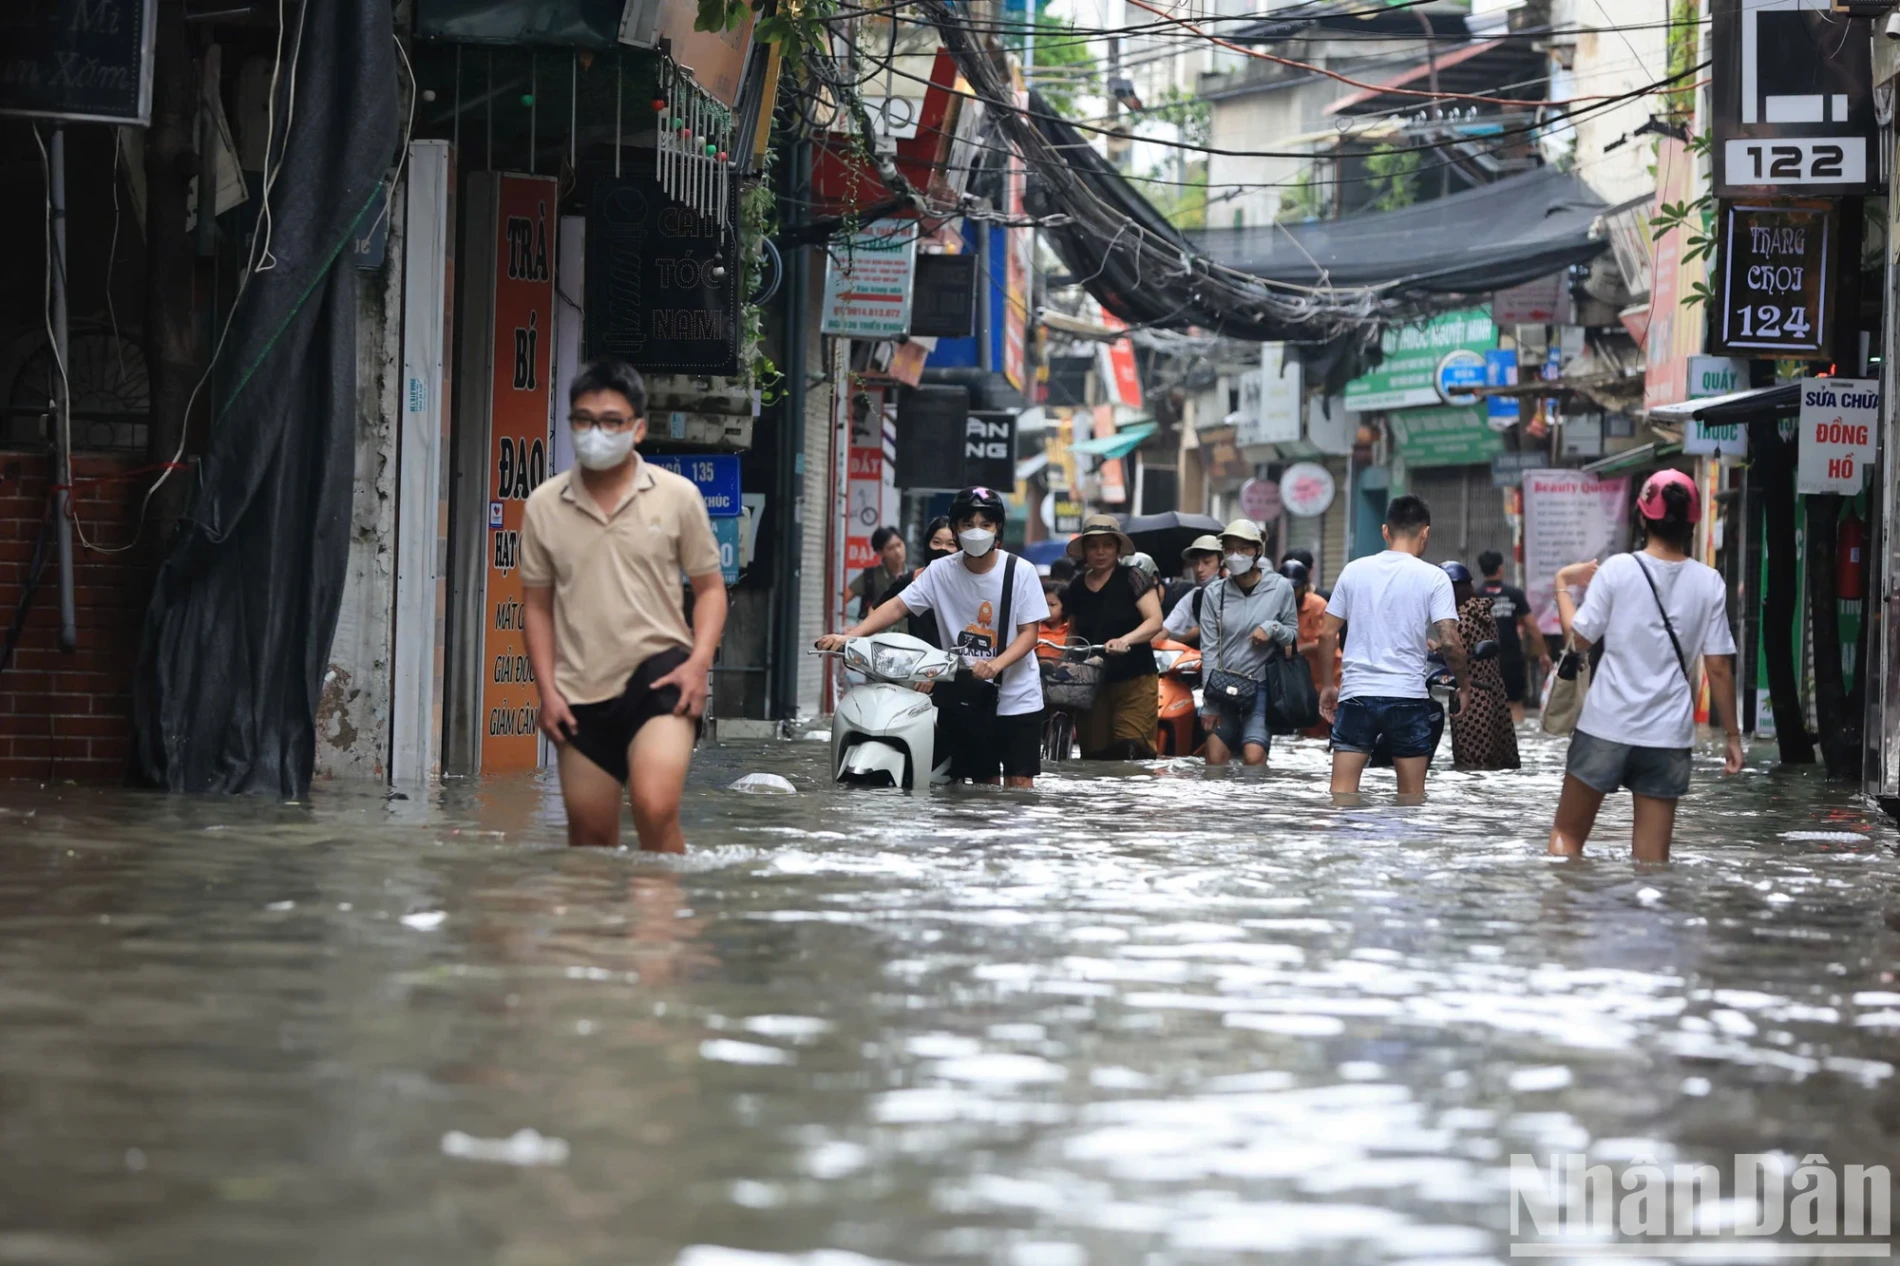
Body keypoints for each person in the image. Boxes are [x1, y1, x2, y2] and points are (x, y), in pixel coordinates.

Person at [521, 359, 729, 851]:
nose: (596, 432)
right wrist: (547, 692)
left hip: (661, 675)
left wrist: (698, 665)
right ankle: (602, 929)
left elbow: (711, 590)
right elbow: (535, 607)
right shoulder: (544, 505)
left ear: (638, 428)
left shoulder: (677, 496)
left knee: (655, 809)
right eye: (584, 420)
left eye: (611, 421)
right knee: (590, 841)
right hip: (579, 690)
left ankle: (662, 926)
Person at [1548, 470, 1741, 862]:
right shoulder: (1710, 582)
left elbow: (1578, 638)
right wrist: (1733, 737)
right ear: (1693, 521)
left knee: (1567, 836)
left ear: (1641, 516)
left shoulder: (1617, 571)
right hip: (1667, 737)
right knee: (1652, 862)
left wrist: (1562, 585)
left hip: (1605, 727)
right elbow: (1718, 666)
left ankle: (1564, 919)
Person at [817, 487, 1047, 787]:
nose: (976, 531)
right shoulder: (940, 571)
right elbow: (898, 606)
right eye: (968, 524)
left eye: (985, 524)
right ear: (956, 528)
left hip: (1018, 697)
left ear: (997, 528)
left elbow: (1029, 634)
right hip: (969, 695)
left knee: (1019, 785)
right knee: (981, 786)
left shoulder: (1021, 571)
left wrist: (996, 664)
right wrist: (852, 637)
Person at [1317, 495, 1467, 800]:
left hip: (1356, 695)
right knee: (1412, 798)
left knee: (1341, 795)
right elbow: (1450, 641)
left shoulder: (1353, 571)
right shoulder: (1434, 577)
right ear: (1425, 532)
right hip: (1407, 699)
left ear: (1386, 531)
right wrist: (1463, 685)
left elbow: (1326, 634)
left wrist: (1329, 685)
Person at [1062, 514, 1165, 759]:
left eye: (1107, 545)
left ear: (1118, 549)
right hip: (1091, 682)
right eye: (1093, 546)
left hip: (1135, 680)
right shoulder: (1076, 586)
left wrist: (1125, 640)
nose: (1100, 552)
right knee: (1094, 755)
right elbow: (1074, 631)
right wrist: (1066, 661)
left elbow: (1155, 621)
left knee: (1131, 751)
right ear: (1084, 551)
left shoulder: (1133, 577)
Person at [1197, 520, 1299, 767]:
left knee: (1254, 758)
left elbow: (1293, 635)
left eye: (1243, 549)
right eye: (1229, 549)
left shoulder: (1280, 587)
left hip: (1261, 687)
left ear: (1257, 551)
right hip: (1221, 687)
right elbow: (1209, 649)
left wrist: (1272, 628)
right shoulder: (1214, 593)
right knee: (1214, 760)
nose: (1235, 555)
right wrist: (1208, 704)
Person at [1442, 561, 1519, 770]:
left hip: (1470, 697)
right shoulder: (1483, 615)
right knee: (1494, 762)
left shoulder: (1460, 621)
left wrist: (1440, 649)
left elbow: (1456, 653)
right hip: (1494, 694)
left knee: (1471, 765)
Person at [1476, 548, 1548, 721]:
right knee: (1515, 703)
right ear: (1501, 568)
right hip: (1512, 658)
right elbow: (1531, 625)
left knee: (1487, 704)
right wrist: (1543, 654)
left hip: (1484, 660)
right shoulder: (1514, 594)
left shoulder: (1476, 596)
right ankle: (1519, 745)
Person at [877, 517, 956, 647]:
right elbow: (880, 610)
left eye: (951, 544)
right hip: (917, 663)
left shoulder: (968, 583)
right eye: (936, 542)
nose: (943, 549)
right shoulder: (913, 579)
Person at [1280, 556, 1334, 740]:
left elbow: (1327, 642)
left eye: (1294, 588)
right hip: (1296, 683)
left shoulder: (1318, 606)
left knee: (1322, 733)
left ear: (1304, 586)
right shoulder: (1277, 607)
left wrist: (1296, 649)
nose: (1289, 593)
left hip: (1325, 679)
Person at [1162, 535, 1224, 646]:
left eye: (1207, 562)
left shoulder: (1235, 592)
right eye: (1195, 563)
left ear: (1221, 563)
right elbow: (1167, 627)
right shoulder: (1194, 596)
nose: (1199, 569)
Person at [849, 527, 909, 620]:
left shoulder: (915, 576)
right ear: (880, 552)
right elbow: (842, 599)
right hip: (877, 633)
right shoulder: (870, 576)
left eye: (899, 545)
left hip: (907, 633)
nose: (897, 551)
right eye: (890, 548)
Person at [1036, 577, 1074, 661]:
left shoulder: (1071, 629)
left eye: (1052, 605)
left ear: (1064, 606)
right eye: (1044, 604)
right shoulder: (1034, 628)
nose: (1047, 609)